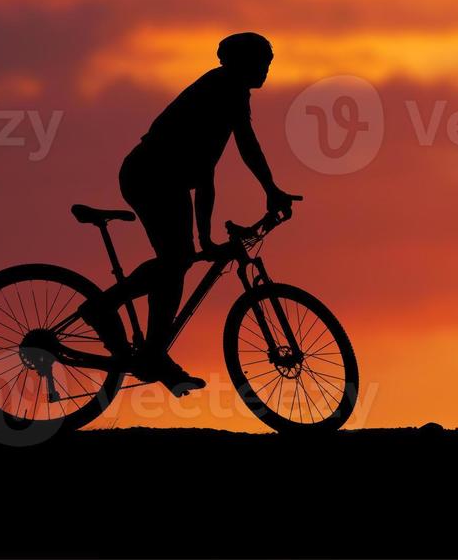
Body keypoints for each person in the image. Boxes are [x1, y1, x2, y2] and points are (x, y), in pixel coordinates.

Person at [78, 32, 299, 393]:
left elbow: (206, 172)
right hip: (151, 175)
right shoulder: (224, 88)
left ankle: (152, 352)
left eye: (269, 63)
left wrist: (207, 237)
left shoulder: (229, 90)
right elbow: (245, 145)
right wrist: (270, 190)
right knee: (176, 260)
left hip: (166, 179)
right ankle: (104, 310)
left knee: (176, 264)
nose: (267, 69)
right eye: (263, 62)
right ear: (243, 63)